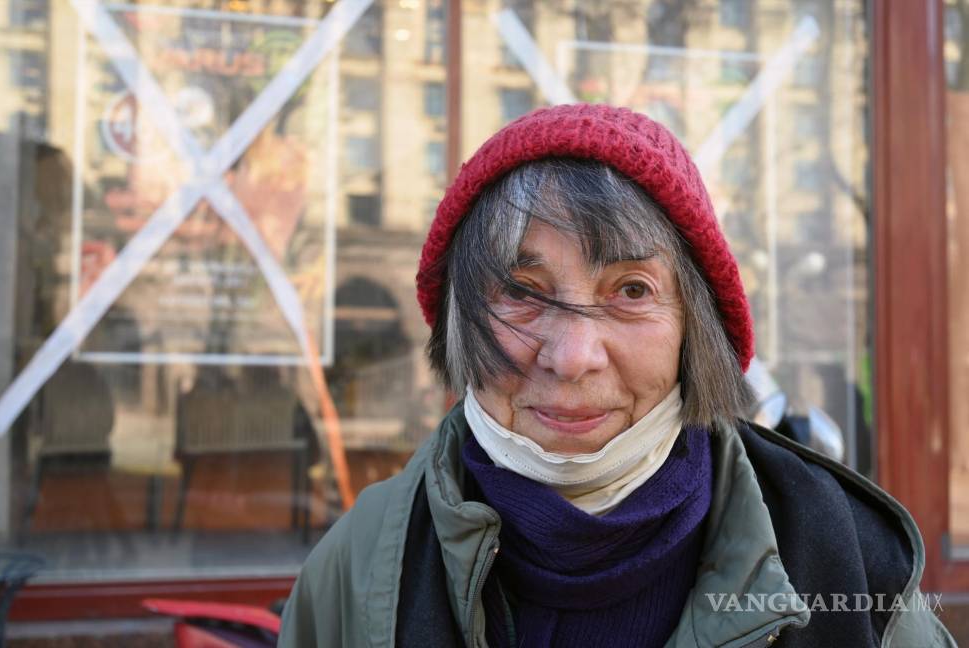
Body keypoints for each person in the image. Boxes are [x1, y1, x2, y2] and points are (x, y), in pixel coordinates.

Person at [279, 104, 955, 647]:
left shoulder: (848, 558)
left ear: (695, 327)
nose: (572, 356)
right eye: (521, 290)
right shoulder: (358, 566)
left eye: (630, 290)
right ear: (459, 324)